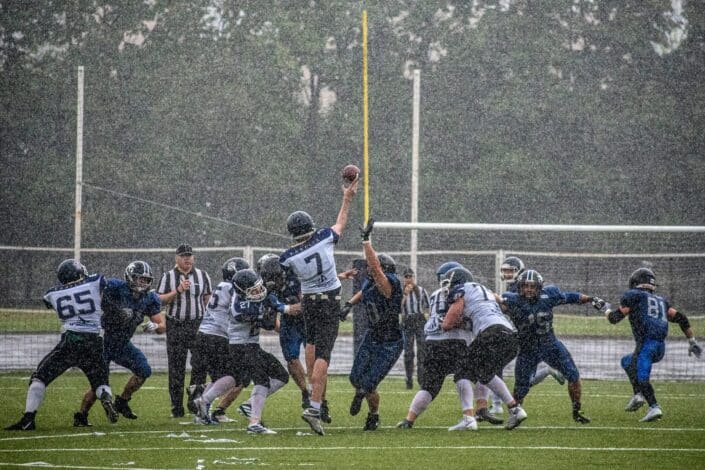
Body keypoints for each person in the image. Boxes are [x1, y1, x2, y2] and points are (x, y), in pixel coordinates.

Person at [279, 176, 358, 435]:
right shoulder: (324, 237)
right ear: (310, 225)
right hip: (328, 302)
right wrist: (347, 198)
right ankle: (314, 405)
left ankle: (316, 396)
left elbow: (281, 275)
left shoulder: (288, 256)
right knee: (324, 354)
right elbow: (341, 223)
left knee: (310, 346)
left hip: (309, 303)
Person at [5, 259, 117, 431]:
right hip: (94, 341)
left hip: (70, 341)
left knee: (39, 378)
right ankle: (106, 397)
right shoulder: (95, 280)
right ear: (79, 272)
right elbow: (103, 290)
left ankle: (28, 419)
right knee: (100, 381)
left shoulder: (52, 294)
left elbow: (51, 302)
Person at [396, 262, 504, 431]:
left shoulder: (435, 294)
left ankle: (409, 419)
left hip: (432, 343)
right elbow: (458, 320)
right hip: (456, 341)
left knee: (429, 387)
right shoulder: (463, 293)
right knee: (472, 373)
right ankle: (472, 415)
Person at [497, 269, 605, 426]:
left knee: (573, 375)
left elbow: (571, 297)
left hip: (550, 344)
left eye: (532, 286)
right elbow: (494, 301)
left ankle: (577, 409)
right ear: (519, 286)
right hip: (527, 349)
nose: (528, 289)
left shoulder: (549, 295)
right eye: (525, 286)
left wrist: (591, 299)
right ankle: (515, 413)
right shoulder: (511, 299)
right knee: (521, 388)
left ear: (539, 287)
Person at [194, 269, 289, 434]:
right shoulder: (238, 304)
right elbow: (258, 318)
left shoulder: (254, 297)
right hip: (241, 347)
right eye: (254, 290)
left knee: (280, 376)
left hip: (251, 346)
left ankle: (243, 404)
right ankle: (254, 423)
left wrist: (275, 305)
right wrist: (271, 309)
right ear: (242, 292)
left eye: (259, 287)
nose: (259, 292)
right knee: (261, 380)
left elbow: (268, 316)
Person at [74, 261, 165, 426]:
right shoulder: (116, 287)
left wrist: (156, 326)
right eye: (139, 279)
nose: (143, 283)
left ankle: (122, 401)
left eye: (146, 280)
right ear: (130, 277)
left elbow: (162, 326)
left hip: (122, 344)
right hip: (102, 340)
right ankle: (81, 416)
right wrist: (115, 309)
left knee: (144, 370)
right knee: (99, 382)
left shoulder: (149, 298)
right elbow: (96, 295)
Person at [604, 267, 702, 422]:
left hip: (646, 344)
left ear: (636, 282)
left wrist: (605, 309)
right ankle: (638, 395)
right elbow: (682, 318)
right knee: (627, 362)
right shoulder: (661, 301)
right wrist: (692, 341)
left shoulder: (634, 295)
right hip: (659, 347)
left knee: (642, 375)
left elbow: (615, 318)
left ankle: (654, 406)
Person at [338, 219, 403, 431]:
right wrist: (348, 304)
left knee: (368, 384)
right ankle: (372, 409)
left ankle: (372, 414)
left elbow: (375, 268)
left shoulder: (389, 284)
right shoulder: (372, 282)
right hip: (373, 336)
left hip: (390, 343)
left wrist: (366, 241)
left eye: (373, 269)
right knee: (355, 378)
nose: (368, 271)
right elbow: (363, 290)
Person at [490, 256, 565, 414]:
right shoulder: (515, 289)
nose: (507, 274)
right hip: (521, 335)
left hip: (521, 336)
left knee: (495, 366)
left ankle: (497, 405)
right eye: (505, 271)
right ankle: (546, 372)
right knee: (500, 368)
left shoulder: (519, 291)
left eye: (510, 271)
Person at [190, 256, 250, 423]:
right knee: (235, 376)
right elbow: (238, 313)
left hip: (203, 336)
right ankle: (203, 401)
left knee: (218, 377)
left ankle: (201, 414)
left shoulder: (221, 286)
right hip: (217, 337)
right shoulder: (233, 289)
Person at [157, 243, 212, 418]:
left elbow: (207, 300)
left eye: (189, 255)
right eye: (183, 255)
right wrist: (178, 291)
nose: (187, 258)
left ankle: (194, 400)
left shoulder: (203, 276)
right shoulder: (168, 277)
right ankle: (176, 407)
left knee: (200, 364)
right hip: (176, 325)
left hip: (197, 325)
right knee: (176, 368)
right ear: (176, 258)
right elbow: (159, 300)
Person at [257, 253, 309, 410]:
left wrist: (300, 306)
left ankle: (319, 396)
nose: (273, 282)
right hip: (289, 322)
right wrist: (284, 311)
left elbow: (307, 302)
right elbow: (270, 313)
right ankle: (305, 392)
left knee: (314, 357)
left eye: (276, 278)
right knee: (292, 359)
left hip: (308, 321)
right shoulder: (264, 285)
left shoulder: (296, 278)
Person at [400, 267, 430, 389]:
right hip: (407, 321)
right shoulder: (400, 291)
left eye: (410, 276)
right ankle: (409, 378)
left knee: (422, 351)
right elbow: (398, 307)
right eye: (406, 277)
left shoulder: (421, 291)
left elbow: (428, 307)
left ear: (414, 278)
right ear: (403, 279)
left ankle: (421, 378)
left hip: (419, 320)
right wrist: (405, 294)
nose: (408, 279)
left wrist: (428, 320)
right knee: (408, 352)